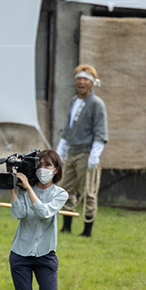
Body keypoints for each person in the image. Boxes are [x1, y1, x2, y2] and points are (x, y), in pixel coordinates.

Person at [9, 151, 71, 290]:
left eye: (48, 165)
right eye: (40, 165)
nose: (43, 170)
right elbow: (18, 214)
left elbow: (44, 213)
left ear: (56, 170)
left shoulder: (60, 194)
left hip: (46, 255)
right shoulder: (24, 190)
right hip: (20, 254)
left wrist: (28, 189)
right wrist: (13, 190)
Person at [55, 64, 108, 237]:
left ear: (92, 83)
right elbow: (68, 127)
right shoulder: (74, 101)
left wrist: (95, 154)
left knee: (89, 192)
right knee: (64, 188)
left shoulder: (97, 104)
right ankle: (66, 226)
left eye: (85, 79)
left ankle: (87, 230)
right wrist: (62, 146)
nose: (81, 82)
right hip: (72, 152)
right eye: (79, 78)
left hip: (87, 153)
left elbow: (100, 131)